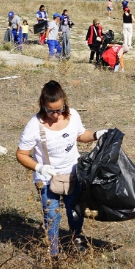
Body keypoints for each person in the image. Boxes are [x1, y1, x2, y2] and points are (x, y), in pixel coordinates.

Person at [16, 80, 108, 257]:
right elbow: (21, 154)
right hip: (47, 179)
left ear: (64, 102)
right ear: (43, 105)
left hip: (73, 174)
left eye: (59, 109)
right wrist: (39, 167)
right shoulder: (34, 125)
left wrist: (96, 134)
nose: (56, 114)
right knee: (52, 217)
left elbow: (80, 135)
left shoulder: (72, 115)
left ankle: (77, 239)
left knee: (75, 212)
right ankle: (53, 253)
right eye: (51, 111)